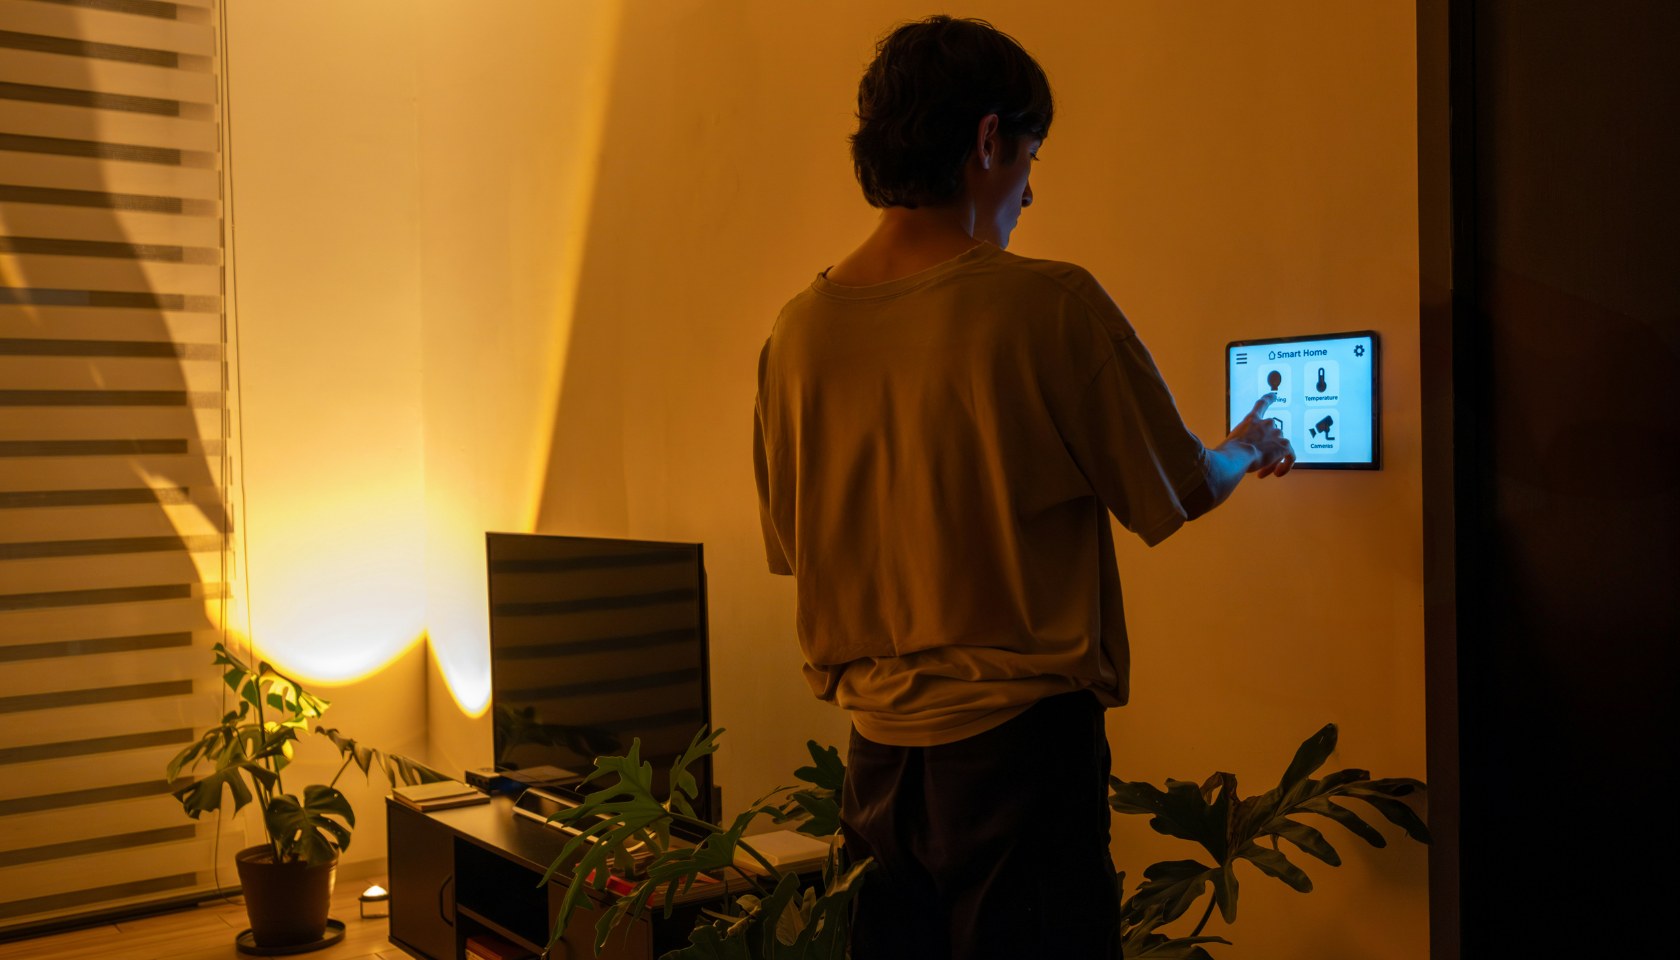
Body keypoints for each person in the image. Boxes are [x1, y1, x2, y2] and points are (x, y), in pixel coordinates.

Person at [751, 16, 1293, 960]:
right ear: (989, 139)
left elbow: (796, 548)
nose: (1031, 189)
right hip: (1020, 762)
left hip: (875, 770)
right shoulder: (1049, 305)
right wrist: (1247, 446)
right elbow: (1181, 486)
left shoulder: (794, 337)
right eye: (1031, 154)